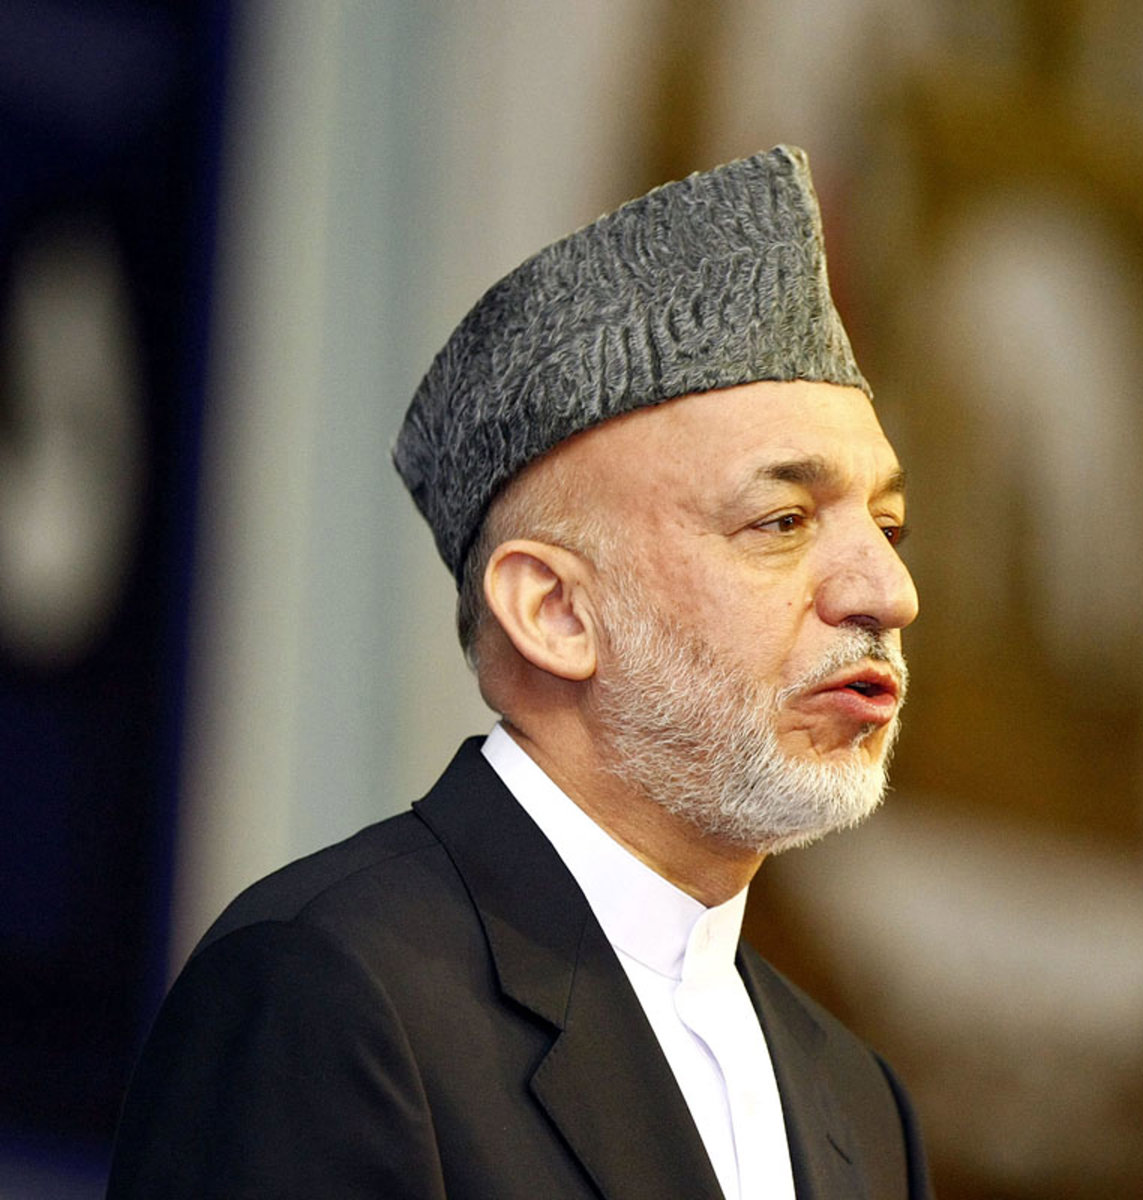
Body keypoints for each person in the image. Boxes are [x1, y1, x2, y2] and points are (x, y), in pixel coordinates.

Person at [107, 145, 933, 1199]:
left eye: (889, 527)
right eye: (781, 521)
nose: (889, 593)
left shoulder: (859, 1104)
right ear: (555, 611)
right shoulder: (333, 992)